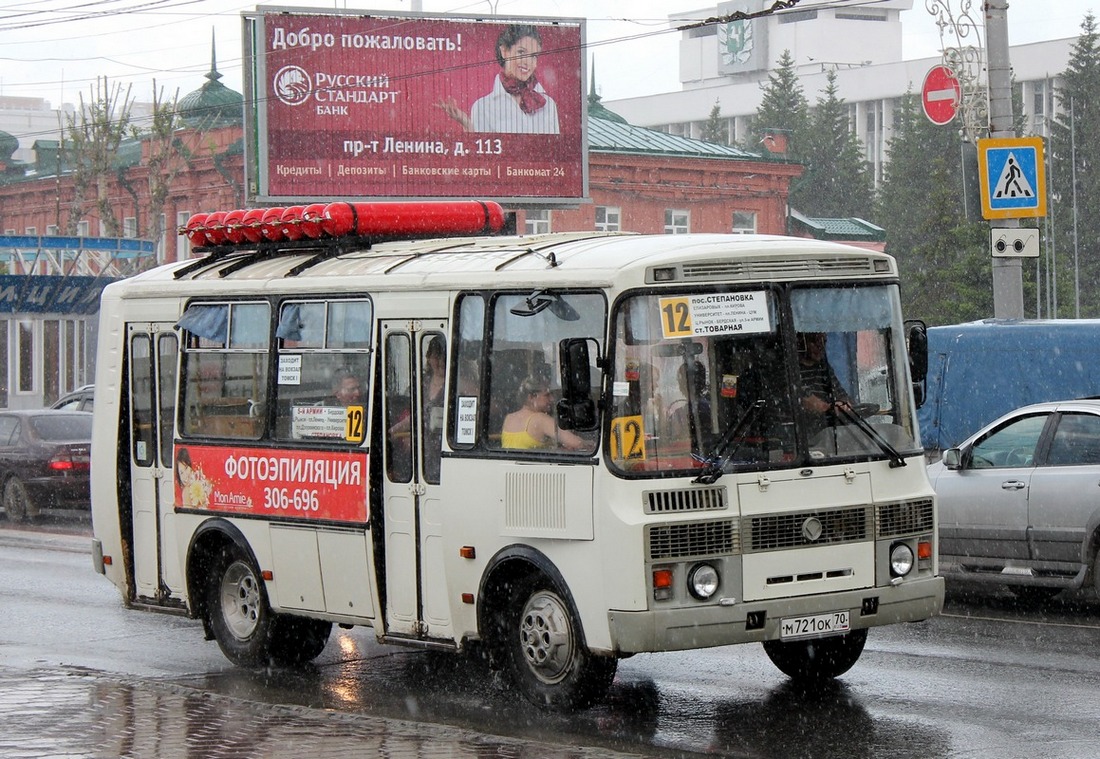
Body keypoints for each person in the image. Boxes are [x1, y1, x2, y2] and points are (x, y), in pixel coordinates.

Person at [437, 24, 560, 134]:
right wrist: (468, 125)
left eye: (533, 56)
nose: (527, 62)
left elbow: (556, 153)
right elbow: (482, 154)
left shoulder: (548, 105)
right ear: (504, 51)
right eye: (521, 52)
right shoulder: (483, 107)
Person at [501, 377, 586, 450]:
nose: (552, 399)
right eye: (547, 395)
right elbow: (576, 443)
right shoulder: (540, 419)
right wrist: (590, 443)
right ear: (531, 397)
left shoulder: (509, 418)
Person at [797, 332, 851, 435]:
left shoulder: (823, 367)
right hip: (803, 437)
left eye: (823, 342)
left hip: (828, 434)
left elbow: (842, 395)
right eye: (815, 342)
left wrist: (845, 404)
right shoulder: (790, 370)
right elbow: (807, 400)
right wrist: (831, 407)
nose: (820, 347)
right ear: (802, 343)